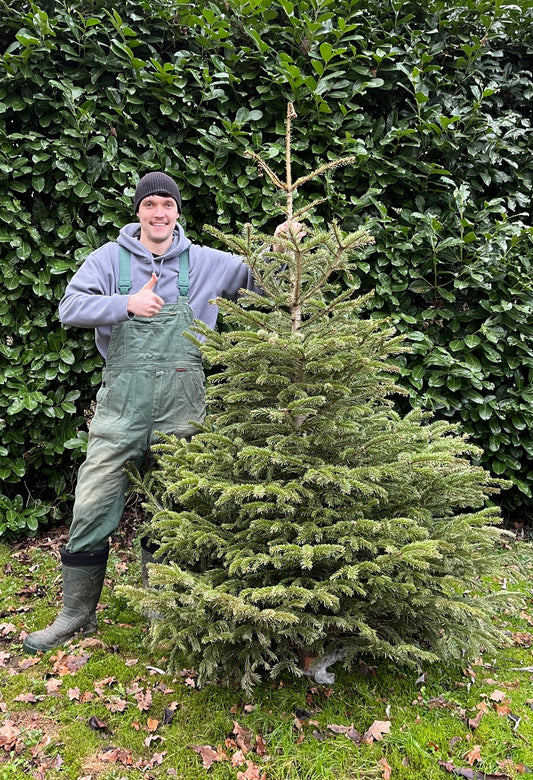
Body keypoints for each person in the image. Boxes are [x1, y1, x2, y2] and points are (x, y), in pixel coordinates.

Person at [23, 171, 266, 653]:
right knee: (92, 501)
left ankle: (163, 609)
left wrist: (280, 249)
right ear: (138, 211)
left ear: (178, 212)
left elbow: (265, 286)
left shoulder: (207, 263)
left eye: (168, 205)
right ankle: (76, 614)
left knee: (173, 507)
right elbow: (70, 306)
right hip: (121, 408)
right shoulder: (109, 259)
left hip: (183, 407)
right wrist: (124, 303)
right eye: (150, 204)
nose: (159, 213)